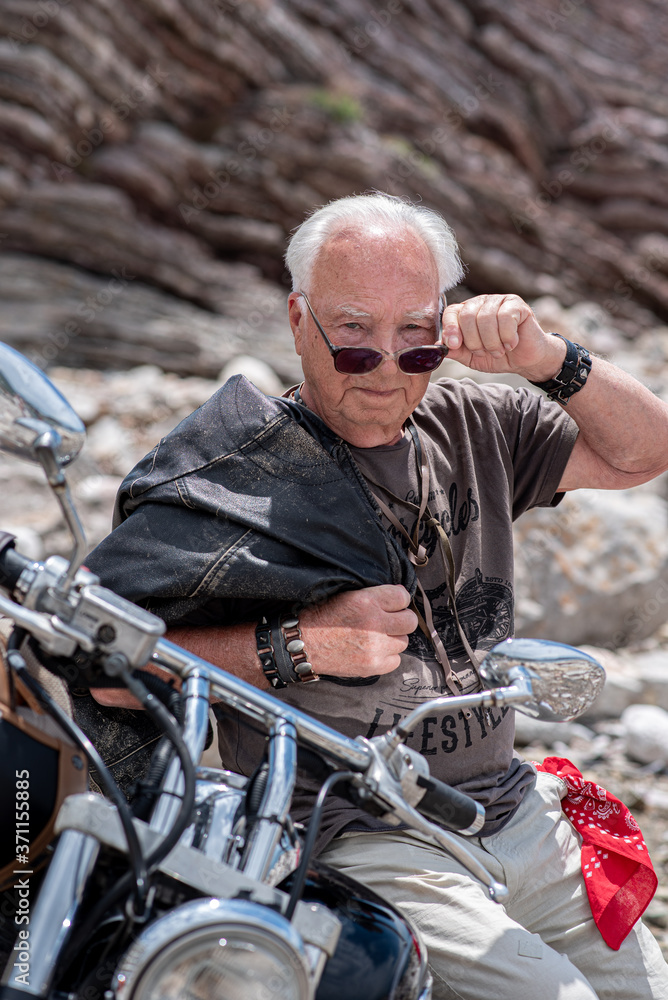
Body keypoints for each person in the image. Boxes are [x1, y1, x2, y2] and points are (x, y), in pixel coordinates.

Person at [86, 193, 668, 999]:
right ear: (300, 321)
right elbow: (106, 669)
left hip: (512, 810)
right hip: (359, 833)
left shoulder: (477, 427)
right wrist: (293, 646)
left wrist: (548, 358)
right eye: (354, 335)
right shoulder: (231, 479)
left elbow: (644, 452)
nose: (387, 367)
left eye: (415, 338)